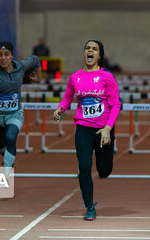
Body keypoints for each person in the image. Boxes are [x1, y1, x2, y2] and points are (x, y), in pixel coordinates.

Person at [53, 40, 121, 221]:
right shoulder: (75, 77)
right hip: (83, 127)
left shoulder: (107, 77)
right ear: (84, 53)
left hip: (103, 130)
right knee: (84, 167)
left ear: (99, 55)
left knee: (104, 170)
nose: (90, 51)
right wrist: (60, 108)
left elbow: (116, 104)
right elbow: (67, 98)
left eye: (94, 49)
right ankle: (89, 206)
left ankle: (106, 155)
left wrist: (108, 128)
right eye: (87, 48)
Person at [0, 41, 41, 175]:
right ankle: (9, 158)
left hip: (15, 113)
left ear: (12, 56)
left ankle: (6, 174)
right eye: (0, 55)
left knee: (11, 137)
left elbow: (35, 60)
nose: (3, 58)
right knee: (1, 147)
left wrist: (38, 78)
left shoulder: (20, 66)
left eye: (6, 54)